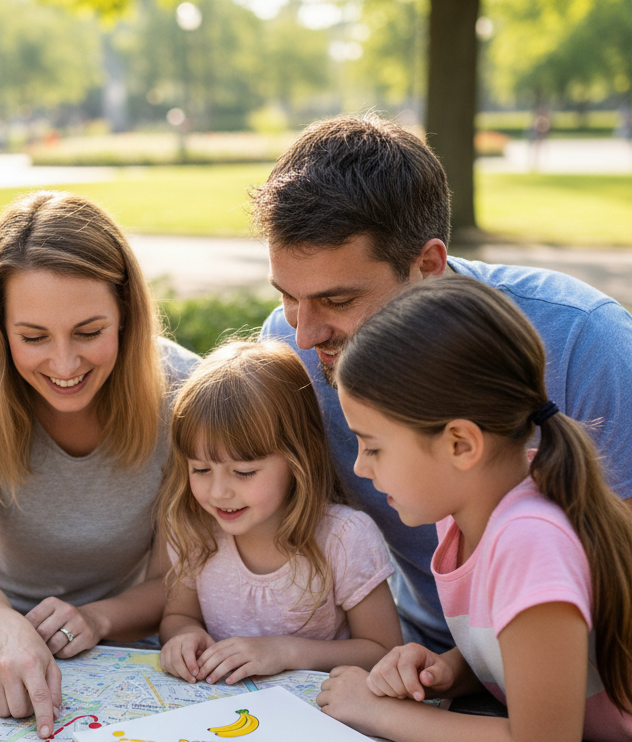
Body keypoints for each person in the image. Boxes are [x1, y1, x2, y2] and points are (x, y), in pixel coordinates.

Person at [252, 115, 632, 652]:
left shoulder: (584, 343)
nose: (307, 334)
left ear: (428, 264)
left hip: (576, 675)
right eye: (289, 296)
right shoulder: (289, 348)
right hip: (422, 655)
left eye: (338, 301)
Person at [0, 191, 200, 740]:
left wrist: (97, 618)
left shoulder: (183, 390)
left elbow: (172, 582)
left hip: (113, 629)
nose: (64, 364)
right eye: (33, 337)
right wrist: (5, 629)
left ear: (126, 316)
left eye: (89, 332)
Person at [318, 278, 632, 742]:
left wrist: (377, 714)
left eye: (374, 447)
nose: (359, 467)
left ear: (461, 444)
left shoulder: (530, 542)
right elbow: (537, 647)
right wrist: (449, 670)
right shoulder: (468, 509)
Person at [158, 339, 402, 685]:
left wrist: (285, 652)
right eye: (200, 469)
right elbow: (178, 615)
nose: (218, 492)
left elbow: (384, 651)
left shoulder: (344, 538)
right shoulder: (196, 530)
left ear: (297, 459)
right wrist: (182, 636)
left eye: (243, 472)